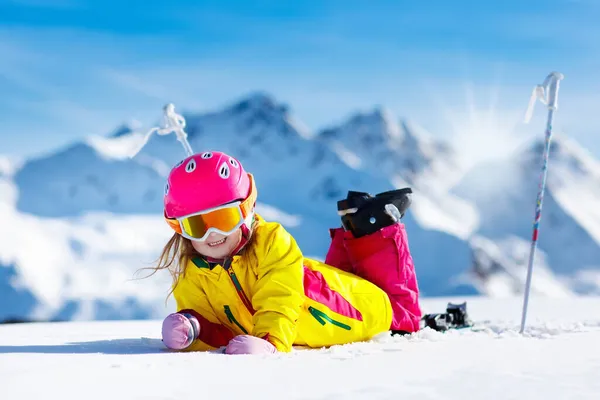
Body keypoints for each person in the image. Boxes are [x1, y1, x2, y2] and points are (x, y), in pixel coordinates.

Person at [154, 150, 421, 355]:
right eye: (196, 225)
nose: (211, 234)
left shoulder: (270, 241)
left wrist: (270, 340)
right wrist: (192, 327)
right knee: (336, 281)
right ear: (179, 228)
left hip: (358, 310)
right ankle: (358, 225)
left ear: (247, 209)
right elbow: (217, 328)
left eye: (223, 219)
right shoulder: (193, 271)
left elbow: (279, 300)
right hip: (320, 307)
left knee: (398, 314)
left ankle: (376, 224)